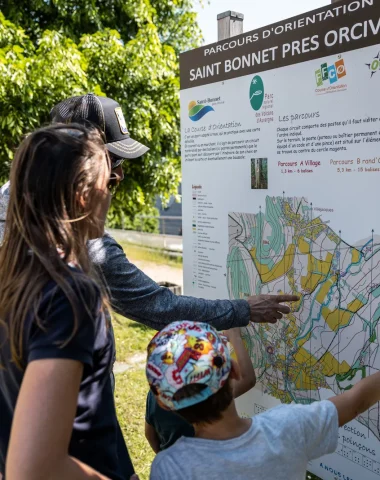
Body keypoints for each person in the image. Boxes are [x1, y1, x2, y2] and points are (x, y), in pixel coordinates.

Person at [0, 93, 299, 334]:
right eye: (112, 167)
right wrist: (244, 309)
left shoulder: (10, 197)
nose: (120, 176)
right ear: (80, 167)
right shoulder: (83, 254)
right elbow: (159, 306)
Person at [0, 124, 133, 479]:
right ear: (83, 195)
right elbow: (34, 467)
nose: (110, 195)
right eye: (110, 184)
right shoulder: (68, 295)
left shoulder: (15, 278)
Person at [146, 320, 380, 480]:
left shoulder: (170, 467)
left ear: (165, 403)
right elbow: (356, 401)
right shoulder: (288, 427)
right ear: (236, 371)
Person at [145, 327, 255, 452]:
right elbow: (247, 379)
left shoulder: (158, 396)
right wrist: (235, 336)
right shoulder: (213, 397)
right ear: (234, 369)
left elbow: (150, 435)